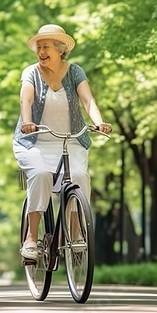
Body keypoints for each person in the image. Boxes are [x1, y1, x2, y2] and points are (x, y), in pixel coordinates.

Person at [13, 24, 111, 261]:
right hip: (34, 141)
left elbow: (88, 101)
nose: (41, 51)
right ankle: (31, 239)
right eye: (38, 47)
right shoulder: (31, 72)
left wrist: (99, 122)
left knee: (79, 178)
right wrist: (27, 122)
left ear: (60, 49)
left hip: (70, 141)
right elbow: (25, 100)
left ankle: (76, 232)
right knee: (41, 175)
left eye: (45, 46)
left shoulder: (75, 72)